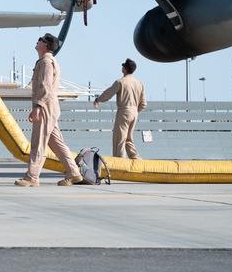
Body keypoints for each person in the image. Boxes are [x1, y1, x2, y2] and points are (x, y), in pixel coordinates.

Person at [15, 33, 84, 187]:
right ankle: (73, 173)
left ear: (44, 44)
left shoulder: (46, 62)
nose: (37, 41)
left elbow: (45, 86)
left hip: (45, 105)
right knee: (57, 143)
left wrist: (38, 107)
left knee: (38, 142)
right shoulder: (48, 61)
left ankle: (32, 177)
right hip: (49, 105)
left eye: (39, 40)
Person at [93, 58, 147, 159]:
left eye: (123, 66)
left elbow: (108, 94)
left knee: (119, 140)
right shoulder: (139, 84)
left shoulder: (121, 82)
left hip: (124, 111)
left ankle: (119, 163)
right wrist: (135, 110)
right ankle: (136, 160)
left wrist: (98, 100)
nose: (121, 67)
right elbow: (143, 103)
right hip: (134, 112)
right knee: (128, 139)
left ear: (125, 69)